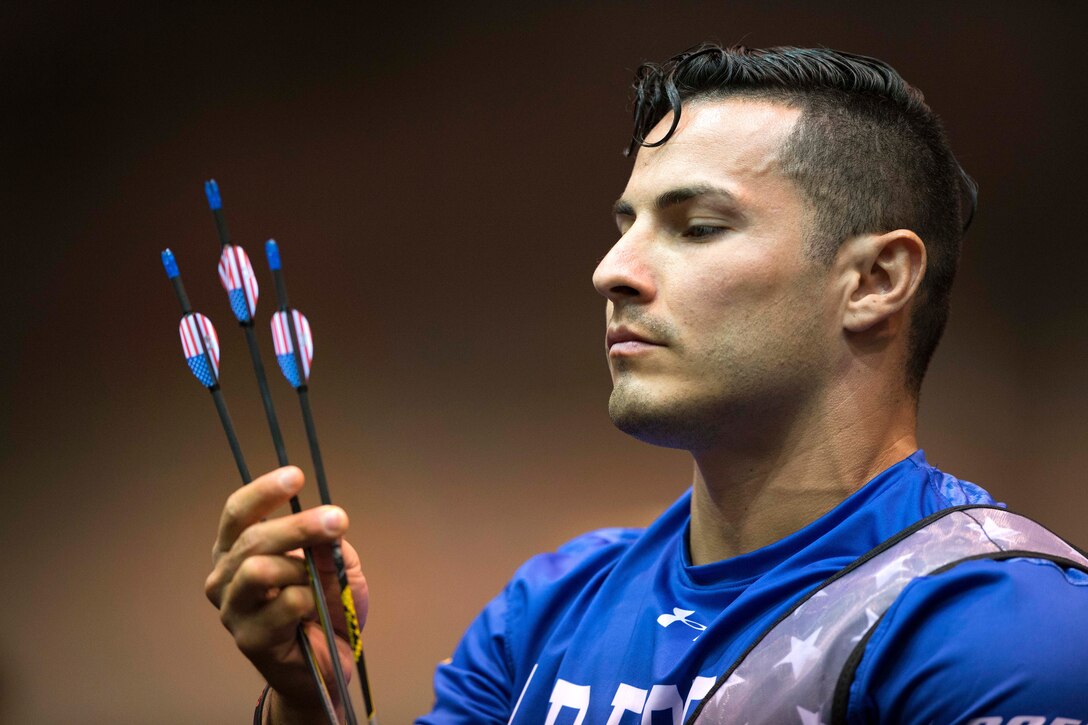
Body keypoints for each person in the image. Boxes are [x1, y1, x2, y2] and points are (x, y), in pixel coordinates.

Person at [204, 44, 1088, 724]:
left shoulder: (1001, 630)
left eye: (696, 227)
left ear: (875, 282)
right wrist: (306, 701)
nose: (611, 271)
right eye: (625, 225)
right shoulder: (548, 610)